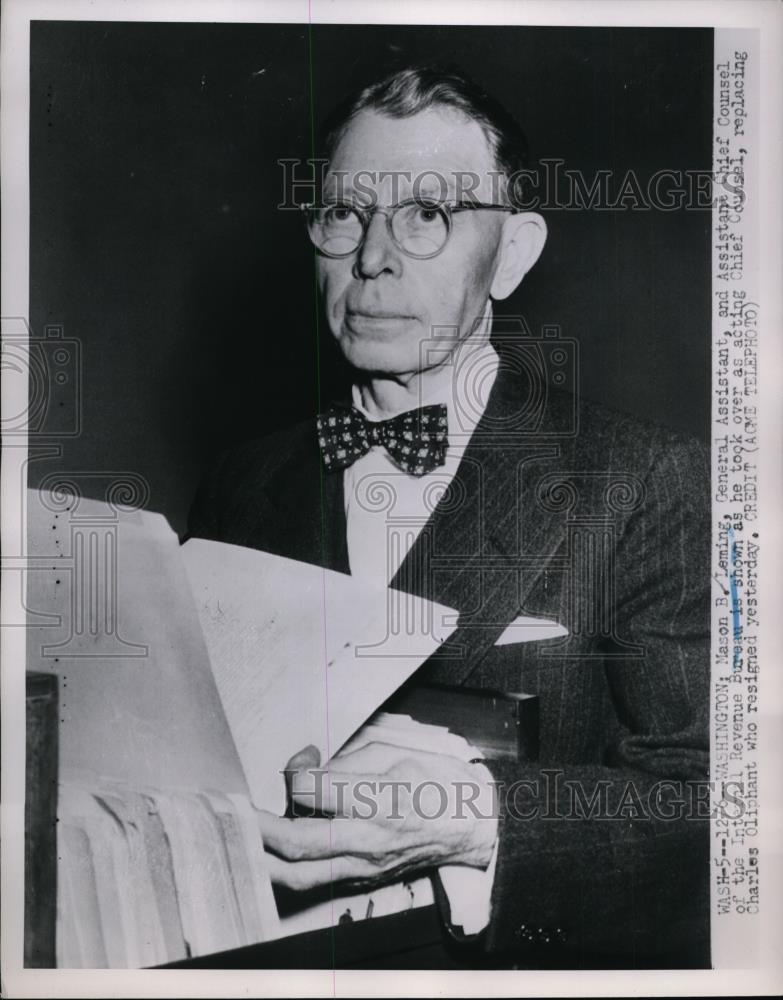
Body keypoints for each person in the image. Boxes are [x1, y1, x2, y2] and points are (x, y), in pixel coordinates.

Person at [188, 65, 710, 967]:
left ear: (511, 254)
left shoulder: (648, 481)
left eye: (426, 214)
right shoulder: (242, 481)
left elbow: (720, 813)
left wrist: (469, 823)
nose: (373, 256)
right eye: (345, 212)